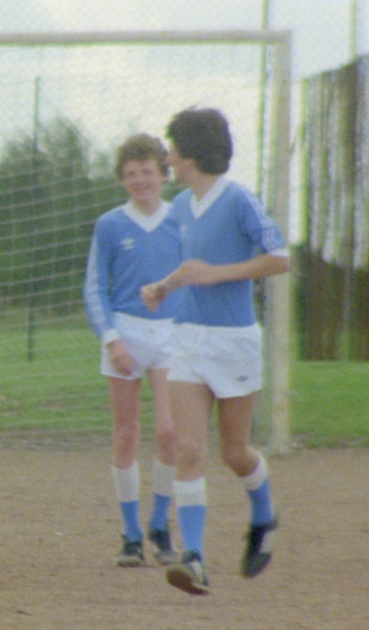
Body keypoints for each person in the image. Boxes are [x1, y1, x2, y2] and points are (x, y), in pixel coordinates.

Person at [141, 107, 289, 596]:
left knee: (234, 452)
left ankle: (264, 517)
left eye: (172, 147)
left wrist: (218, 273)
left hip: (235, 342)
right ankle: (195, 558)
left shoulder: (240, 199)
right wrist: (164, 286)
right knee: (188, 449)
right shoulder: (181, 206)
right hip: (188, 339)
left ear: (191, 153)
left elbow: (280, 258)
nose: (167, 156)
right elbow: (191, 267)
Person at [83, 133, 183, 568]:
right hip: (125, 334)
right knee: (126, 435)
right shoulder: (110, 225)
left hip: (171, 336)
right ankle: (130, 535)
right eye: (130, 174)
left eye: (147, 172)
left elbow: (195, 276)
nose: (139, 180)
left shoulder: (181, 219)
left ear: (163, 174)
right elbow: (94, 287)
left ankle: (160, 523)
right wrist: (112, 339)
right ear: (121, 179)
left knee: (169, 431)